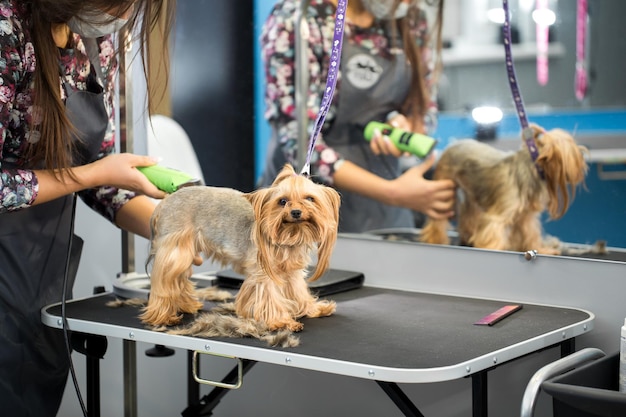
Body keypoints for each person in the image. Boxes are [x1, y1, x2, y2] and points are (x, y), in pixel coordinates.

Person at [0, 0, 176, 415]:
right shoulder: (8, 28)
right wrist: (93, 174)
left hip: (42, 279)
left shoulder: (94, 41)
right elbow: (93, 173)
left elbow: (102, 173)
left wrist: (169, 225)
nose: (122, 10)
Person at [259, 0, 456, 233]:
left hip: (385, 212)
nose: (409, 2)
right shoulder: (299, 19)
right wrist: (391, 193)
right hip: (302, 214)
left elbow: (423, 107)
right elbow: (300, 142)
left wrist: (403, 126)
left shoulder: (410, 18)